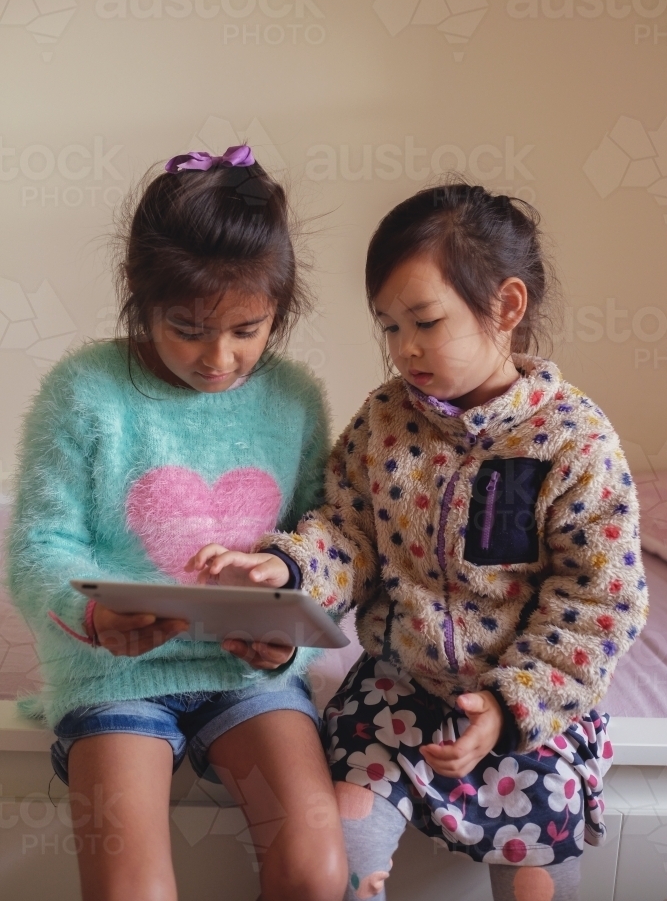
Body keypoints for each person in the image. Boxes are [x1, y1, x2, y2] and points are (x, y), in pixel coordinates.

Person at [192, 183, 647, 901]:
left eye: (424, 323)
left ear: (505, 308)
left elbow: (600, 601)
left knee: (539, 867)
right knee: (330, 856)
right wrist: (282, 568)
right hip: (395, 694)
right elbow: (345, 534)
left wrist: (507, 707)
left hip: (524, 705)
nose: (403, 350)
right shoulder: (382, 421)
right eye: (387, 327)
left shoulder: (574, 440)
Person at [7, 146, 347, 901]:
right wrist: (91, 614)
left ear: (279, 311)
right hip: (113, 677)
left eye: (248, 330)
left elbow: (324, 540)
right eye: (187, 327)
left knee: (319, 869)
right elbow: (36, 549)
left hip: (245, 675)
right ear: (140, 295)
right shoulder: (85, 390)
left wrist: (286, 603)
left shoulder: (294, 399)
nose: (219, 359)